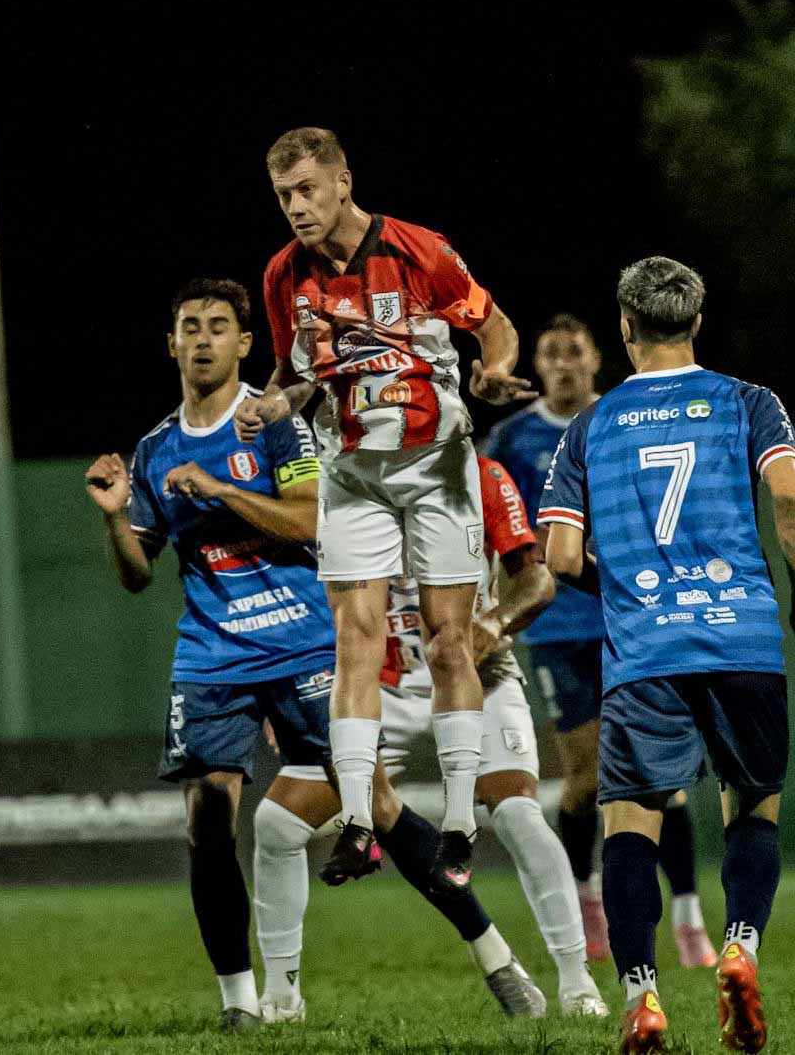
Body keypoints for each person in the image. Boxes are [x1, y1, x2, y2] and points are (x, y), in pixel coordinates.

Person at [235, 126, 535, 891]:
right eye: (282, 196)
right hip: (352, 471)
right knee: (356, 637)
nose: (296, 208)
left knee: (447, 643)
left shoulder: (417, 249)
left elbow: (493, 323)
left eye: (306, 190)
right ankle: (361, 823)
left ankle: (462, 824)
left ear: (343, 182)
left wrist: (495, 369)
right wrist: (272, 404)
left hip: (437, 463)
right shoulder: (282, 276)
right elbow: (294, 373)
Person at [539, 257, 795, 1053]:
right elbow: (787, 497)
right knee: (752, 805)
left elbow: (558, 552)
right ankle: (740, 946)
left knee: (629, 821)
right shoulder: (750, 401)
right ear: (696, 320)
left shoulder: (591, 424)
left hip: (646, 648)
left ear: (624, 327)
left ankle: (643, 996)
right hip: (743, 634)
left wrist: (630, 579)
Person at [253, 455, 608, 1021]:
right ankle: (279, 998)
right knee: (275, 824)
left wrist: (493, 622)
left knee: (517, 815)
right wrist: (301, 694)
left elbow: (537, 578)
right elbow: (317, 599)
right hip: (379, 686)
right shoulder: (341, 483)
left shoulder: (477, 473)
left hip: (475, 672)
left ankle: (576, 981)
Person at [86, 277, 338, 1032]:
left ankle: (495, 954)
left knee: (374, 800)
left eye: (217, 325)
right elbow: (138, 574)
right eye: (188, 326)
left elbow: (306, 524)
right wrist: (114, 520)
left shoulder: (276, 425)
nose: (201, 338)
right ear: (172, 344)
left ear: (243, 342)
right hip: (212, 655)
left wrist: (219, 491)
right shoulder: (157, 446)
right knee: (206, 817)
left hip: (300, 637)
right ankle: (239, 1000)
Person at [486, 314, 715, 968]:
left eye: (573, 352)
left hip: (634, 618)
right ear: (538, 362)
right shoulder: (510, 437)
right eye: (549, 353)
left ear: (596, 360)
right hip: (559, 626)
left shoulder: (627, 418)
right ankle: (589, 901)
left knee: (662, 777)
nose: (561, 364)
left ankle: (691, 917)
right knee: (584, 780)